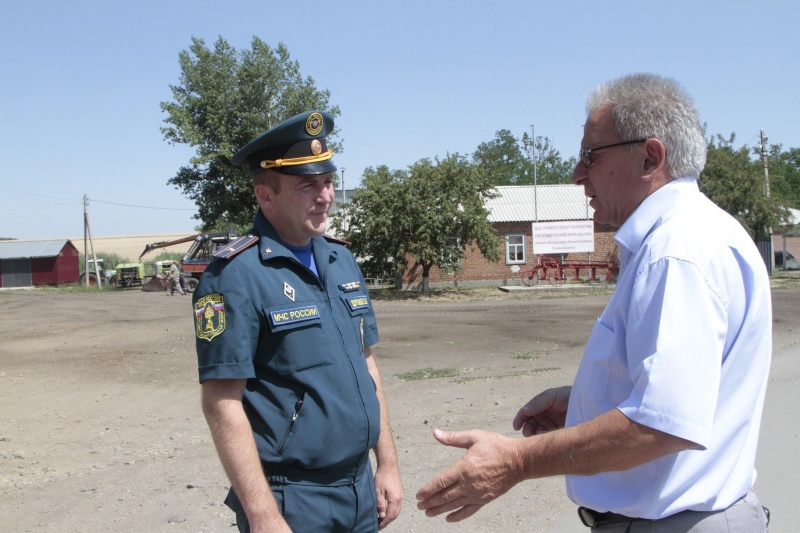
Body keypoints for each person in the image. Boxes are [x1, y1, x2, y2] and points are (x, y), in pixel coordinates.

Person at [416, 73, 772, 531]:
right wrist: (588, 402)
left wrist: (515, 461)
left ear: (650, 157)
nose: (577, 173)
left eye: (590, 156)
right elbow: (681, 391)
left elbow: (662, 424)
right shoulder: (696, 234)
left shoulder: (675, 253)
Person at [194, 110, 402, 532]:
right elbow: (221, 402)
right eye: (307, 185)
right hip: (294, 498)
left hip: (359, 488)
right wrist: (264, 514)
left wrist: (388, 465)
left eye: (327, 181)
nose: (325, 196)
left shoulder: (340, 259)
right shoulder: (233, 276)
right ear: (265, 195)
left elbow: (367, 367)